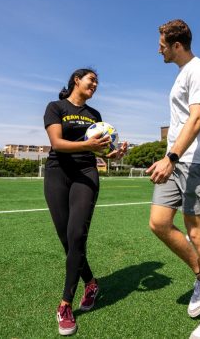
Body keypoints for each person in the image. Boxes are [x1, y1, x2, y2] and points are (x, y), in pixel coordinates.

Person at [147, 19, 200, 339]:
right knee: (158, 223)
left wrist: (171, 157)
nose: (158, 49)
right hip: (176, 159)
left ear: (176, 45)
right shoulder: (181, 74)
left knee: (199, 232)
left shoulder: (199, 69)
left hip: (195, 162)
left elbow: (197, 118)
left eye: (162, 44)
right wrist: (168, 156)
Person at [43, 68, 128, 335]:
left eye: (97, 82)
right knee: (67, 240)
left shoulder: (95, 116)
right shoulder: (55, 107)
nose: (95, 84)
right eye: (92, 80)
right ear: (77, 80)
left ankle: (65, 304)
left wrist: (114, 154)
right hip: (58, 173)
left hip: (86, 174)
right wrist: (87, 145)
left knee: (77, 235)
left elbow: (102, 150)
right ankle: (91, 283)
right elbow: (56, 143)